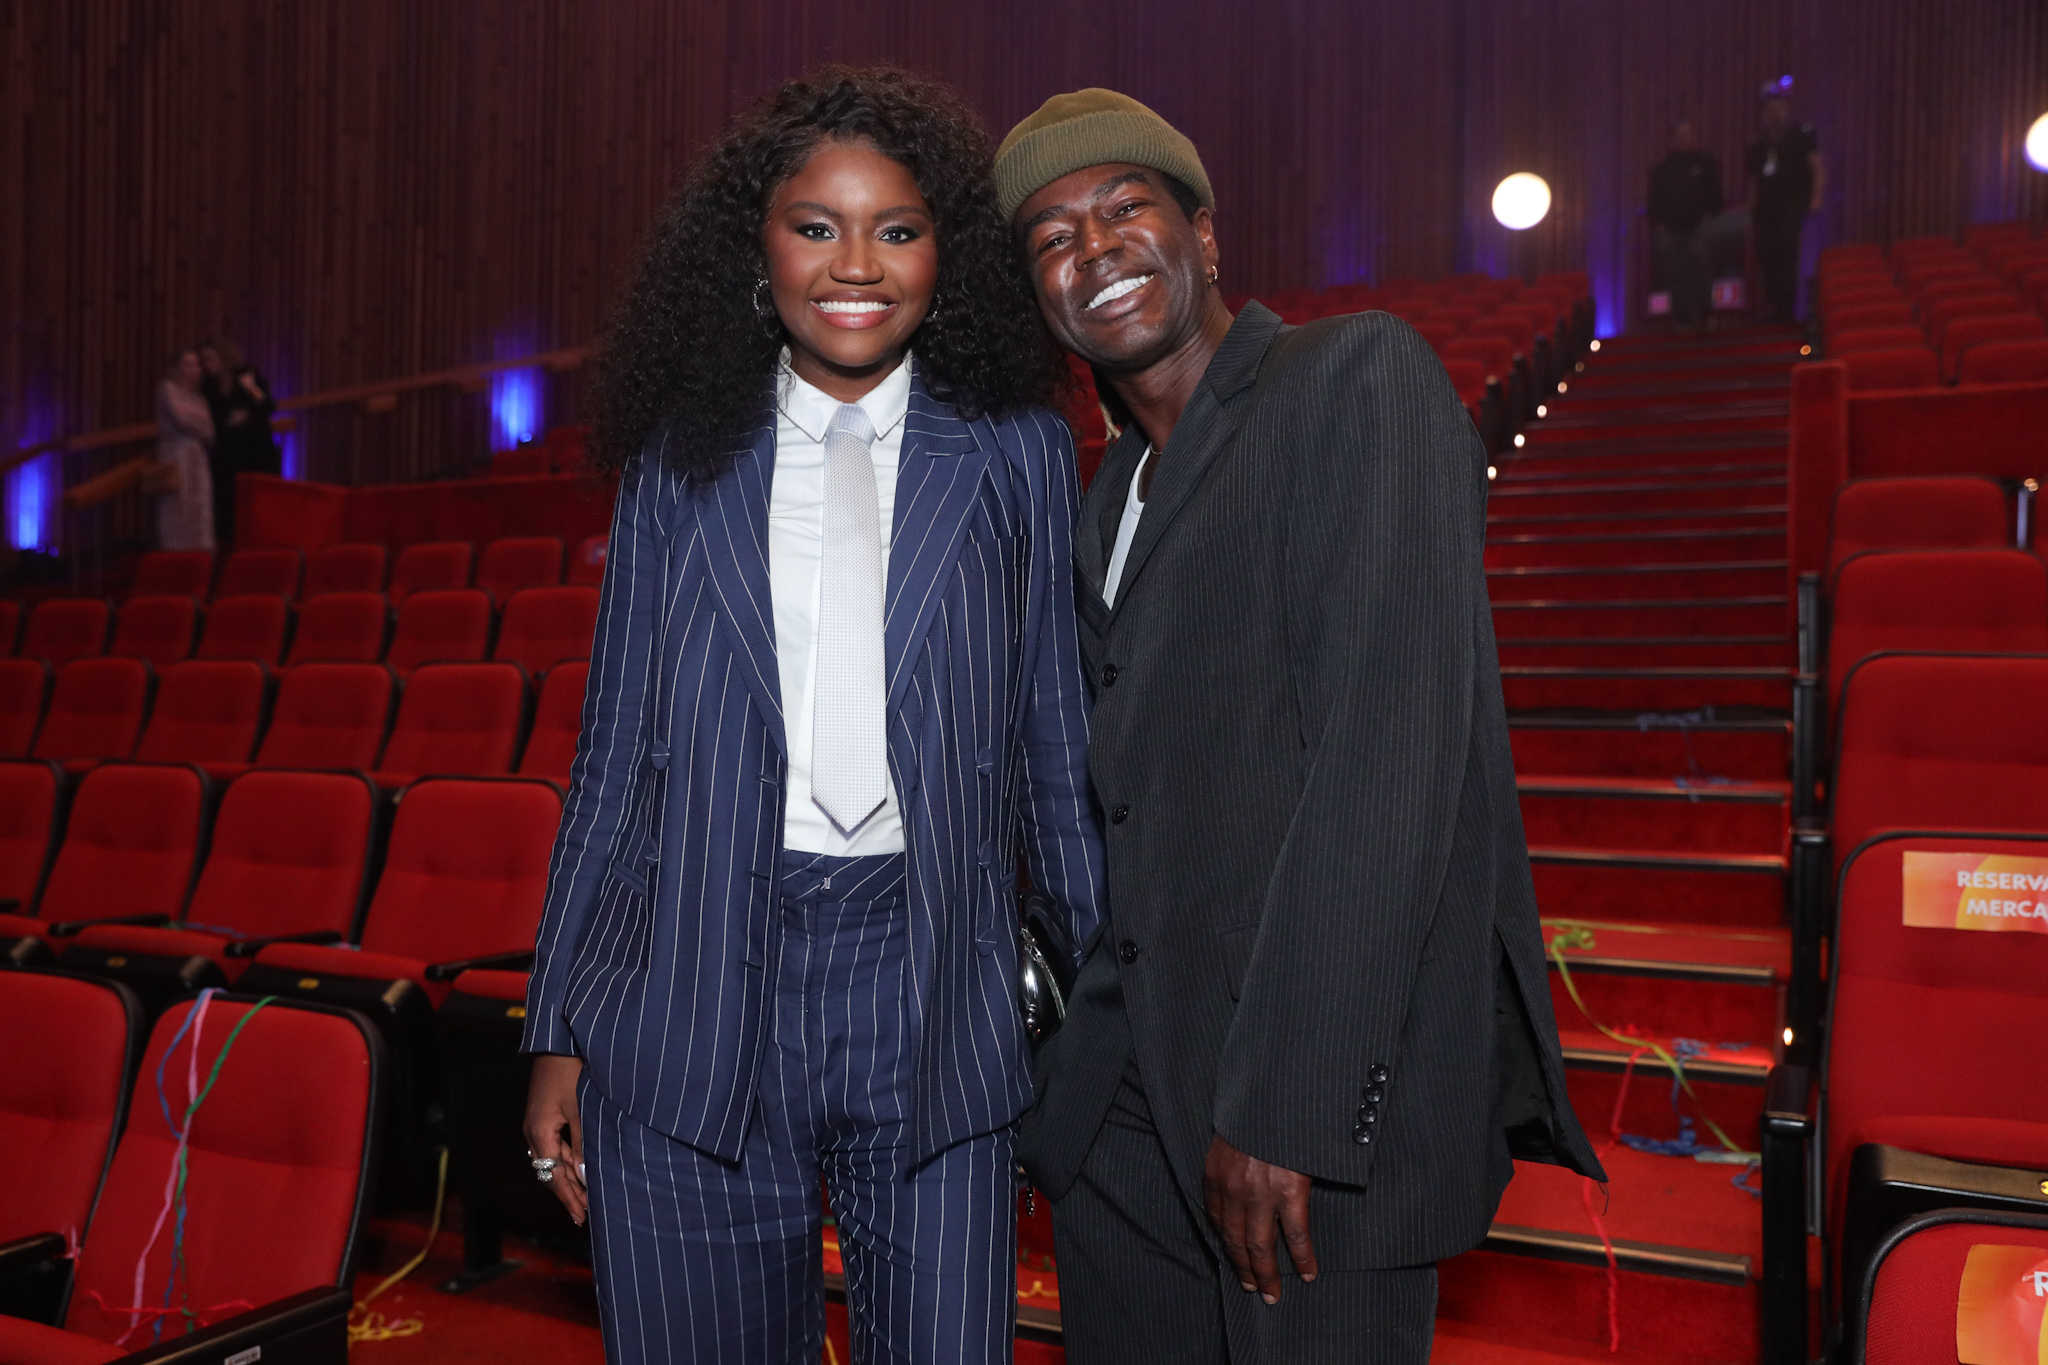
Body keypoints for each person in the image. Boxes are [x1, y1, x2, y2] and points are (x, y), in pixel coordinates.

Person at [994, 89, 1603, 1363]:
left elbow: (1387, 770)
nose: (1092, 248)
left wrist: (1290, 1108)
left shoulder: (1353, 380)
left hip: (1296, 1124)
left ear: (1205, 236)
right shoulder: (1102, 494)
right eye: (1051, 238)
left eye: (1123, 208)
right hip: (1122, 1121)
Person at [517, 67, 1103, 1365]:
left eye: (897, 229)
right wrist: (555, 1023)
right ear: (758, 245)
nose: (856, 266)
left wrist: (1106, 1008)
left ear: (946, 253)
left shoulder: (1016, 446)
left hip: (933, 991)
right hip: (687, 989)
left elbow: (1054, 748)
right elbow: (613, 757)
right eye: (816, 226)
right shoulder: (678, 456)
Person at [1745, 90, 1824, 323]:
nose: (1774, 114)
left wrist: (1816, 197)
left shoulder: (1802, 136)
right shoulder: (1757, 145)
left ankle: (1788, 309)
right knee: (1767, 255)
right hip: (1765, 209)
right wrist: (1751, 211)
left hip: (1793, 204)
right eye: (1770, 110)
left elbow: (1817, 167)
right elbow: (1753, 182)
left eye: (1779, 109)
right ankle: (1774, 306)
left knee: (1787, 252)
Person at [198, 337, 280, 545]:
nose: (208, 364)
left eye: (211, 359)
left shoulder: (246, 375)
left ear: (224, 357)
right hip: (227, 453)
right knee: (227, 503)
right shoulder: (208, 386)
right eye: (204, 360)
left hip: (255, 449)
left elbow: (267, 404)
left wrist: (250, 396)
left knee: (255, 501)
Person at [1647, 119, 1723, 329]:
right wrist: (1659, 223)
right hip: (1671, 228)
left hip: (1699, 225)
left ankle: (1706, 313)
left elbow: (1715, 193)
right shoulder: (1662, 169)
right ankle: (1682, 316)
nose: (1684, 139)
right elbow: (1654, 199)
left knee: (1701, 266)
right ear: (1672, 140)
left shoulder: (1705, 163)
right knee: (1675, 271)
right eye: (1679, 135)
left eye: (1687, 135)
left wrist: (1710, 215)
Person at [153, 348, 215, 551]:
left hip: (197, 456)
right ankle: (176, 553)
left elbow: (209, 430)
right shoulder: (168, 389)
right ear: (176, 368)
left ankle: (200, 554)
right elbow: (183, 419)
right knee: (178, 505)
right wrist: (198, 424)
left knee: (198, 506)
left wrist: (199, 425)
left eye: (196, 365)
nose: (194, 369)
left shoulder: (199, 398)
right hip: (176, 454)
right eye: (188, 364)